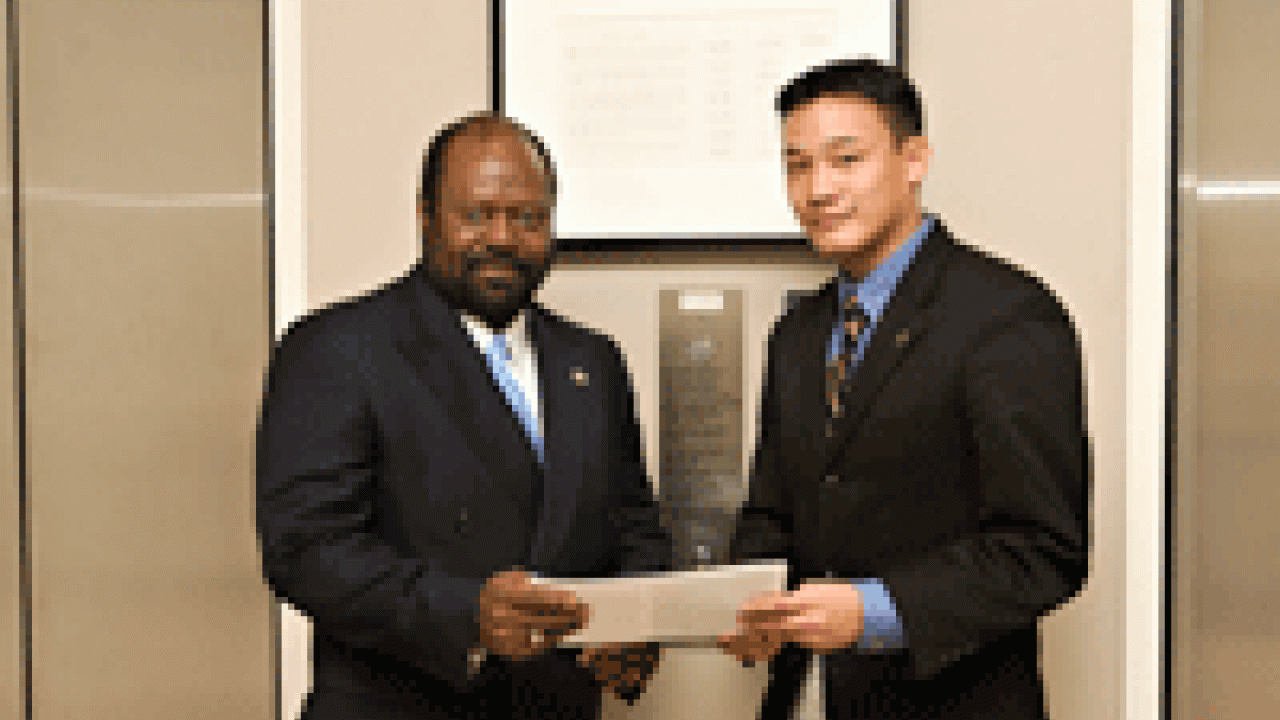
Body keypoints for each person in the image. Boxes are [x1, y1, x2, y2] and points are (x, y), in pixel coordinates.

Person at [257, 113, 673, 720]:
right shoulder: (336, 349)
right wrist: (467, 612)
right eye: (475, 215)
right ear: (426, 218)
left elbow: (634, 526)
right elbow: (307, 550)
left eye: (528, 217)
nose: (502, 238)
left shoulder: (593, 360)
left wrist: (639, 624)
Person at [718, 58, 1091, 720]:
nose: (818, 189)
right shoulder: (797, 334)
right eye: (797, 166)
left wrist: (872, 612)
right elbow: (771, 514)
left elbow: (1043, 549)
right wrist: (750, 604)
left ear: (913, 158)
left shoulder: (1005, 314)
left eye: (845, 159)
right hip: (804, 698)